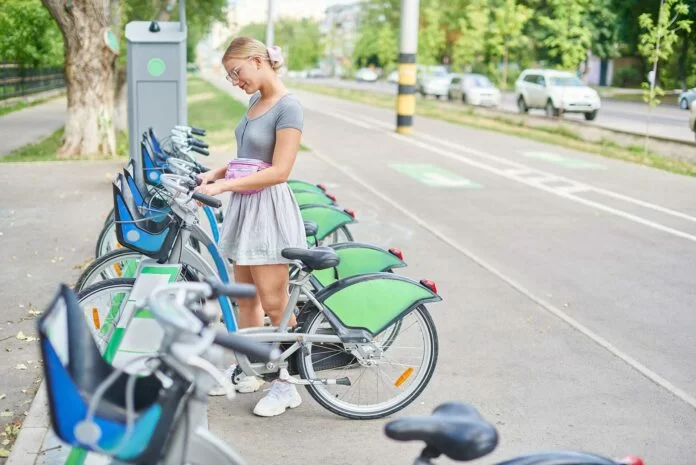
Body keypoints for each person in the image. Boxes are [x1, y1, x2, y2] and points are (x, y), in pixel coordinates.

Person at [194, 37, 307, 417]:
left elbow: (279, 171)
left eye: (237, 72)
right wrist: (216, 172)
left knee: (276, 302)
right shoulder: (255, 103)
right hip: (246, 206)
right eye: (229, 77)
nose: (235, 81)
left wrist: (223, 186)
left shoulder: (288, 108)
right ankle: (252, 368)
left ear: (258, 61)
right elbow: (247, 160)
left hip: (269, 211)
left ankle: (287, 384)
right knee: (246, 298)